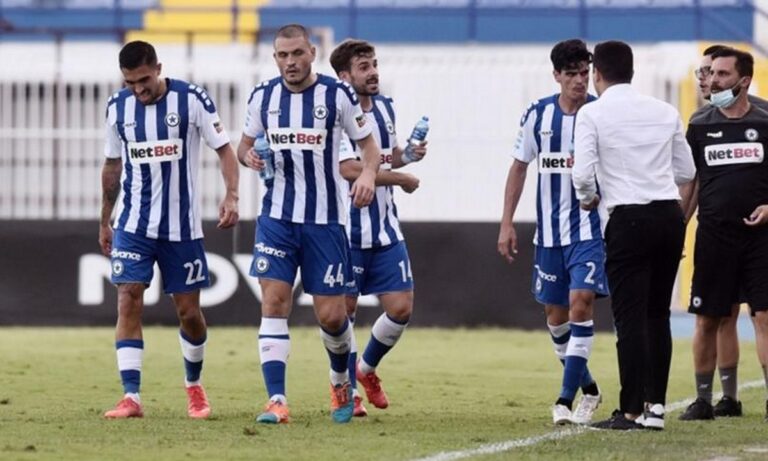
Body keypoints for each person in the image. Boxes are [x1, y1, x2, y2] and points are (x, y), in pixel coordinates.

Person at [237, 24, 380, 424]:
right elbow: (244, 146)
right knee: (273, 303)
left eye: (297, 53)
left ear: (312, 53)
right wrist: (250, 158)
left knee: (332, 317)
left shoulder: (337, 95)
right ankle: (276, 400)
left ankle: (340, 383)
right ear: (275, 58)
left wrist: (369, 176)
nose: (290, 62)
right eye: (283, 55)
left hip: (326, 222)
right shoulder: (262, 96)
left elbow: (369, 147)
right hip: (277, 219)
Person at [99, 40, 240, 419]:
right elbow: (112, 165)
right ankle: (131, 396)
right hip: (133, 224)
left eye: (144, 80)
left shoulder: (192, 99)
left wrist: (231, 195)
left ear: (158, 69)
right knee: (128, 297)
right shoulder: (117, 107)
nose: (138, 89)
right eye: (130, 83)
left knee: (189, 313)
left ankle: (194, 385)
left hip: (182, 229)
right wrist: (105, 219)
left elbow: (225, 149)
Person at [572, 40, 695, 430]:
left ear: (597, 74)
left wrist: (589, 198)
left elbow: (582, 175)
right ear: (632, 72)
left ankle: (629, 411)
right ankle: (655, 407)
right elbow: (686, 171)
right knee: (658, 314)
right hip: (669, 216)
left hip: (628, 218)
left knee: (629, 318)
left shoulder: (592, 113)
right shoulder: (664, 110)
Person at [497, 39, 606, 426]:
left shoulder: (600, 113)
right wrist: (507, 222)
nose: (579, 81)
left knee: (581, 303)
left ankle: (563, 400)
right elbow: (519, 167)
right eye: (571, 74)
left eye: (584, 73)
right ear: (556, 75)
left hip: (590, 231)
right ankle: (590, 389)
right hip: (548, 236)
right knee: (556, 319)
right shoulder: (538, 115)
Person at [328, 39, 426, 417]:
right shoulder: (336, 116)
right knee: (345, 312)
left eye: (374, 64)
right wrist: (400, 178)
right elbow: (349, 168)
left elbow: (387, 155)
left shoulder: (385, 108)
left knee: (401, 308)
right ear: (345, 76)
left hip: (385, 229)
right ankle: (347, 391)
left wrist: (408, 156)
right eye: (364, 67)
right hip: (347, 231)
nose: (373, 73)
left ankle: (365, 369)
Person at [680, 47, 768, 422]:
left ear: (744, 80)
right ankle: (706, 400)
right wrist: (678, 227)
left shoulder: (765, 120)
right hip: (714, 237)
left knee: (763, 318)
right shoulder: (699, 123)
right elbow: (692, 181)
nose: (712, 81)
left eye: (721, 74)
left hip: (761, 240)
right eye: (710, 73)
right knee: (709, 319)